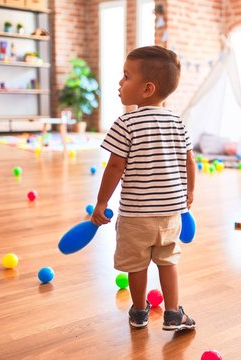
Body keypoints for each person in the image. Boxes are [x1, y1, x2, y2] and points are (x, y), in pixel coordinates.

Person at [91, 45, 196, 330]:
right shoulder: (178, 122)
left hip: (136, 214)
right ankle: (173, 313)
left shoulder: (126, 123)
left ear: (147, 89)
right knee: (167, 260)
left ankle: (139, 311)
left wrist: (101, 203)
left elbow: (115, 167)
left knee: (136, 264)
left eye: (126, 76)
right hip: (170, 212)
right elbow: (189, 162)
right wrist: (189, 194)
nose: (120, 83)